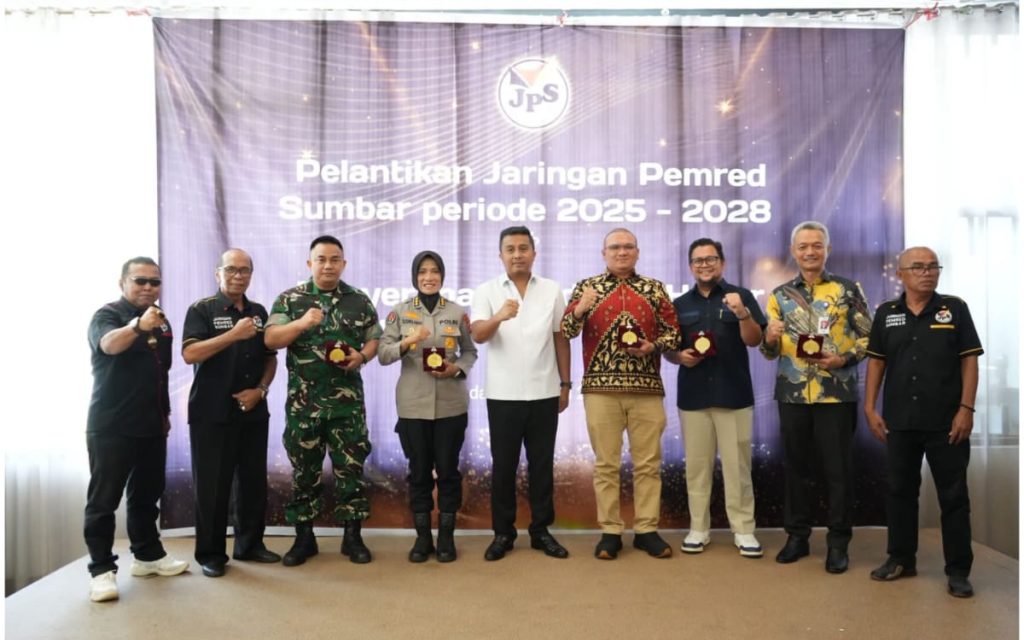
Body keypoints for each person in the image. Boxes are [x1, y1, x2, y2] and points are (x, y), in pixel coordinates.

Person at [863, 247, 982, 598]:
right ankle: (901, 559)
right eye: (918, 267)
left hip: (947, 420)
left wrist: (966, 409)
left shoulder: (954, 309)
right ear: (901, 274)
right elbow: (876, 363)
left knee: (954, 496)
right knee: (900, 492)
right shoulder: (887, 313)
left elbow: (970, 362)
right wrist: (870, 408)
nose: (927, 272)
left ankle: (958, 570)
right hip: (900, 421)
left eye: (933, 267)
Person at [561, 228, 681, 560]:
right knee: (606, 465)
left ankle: (646, 530)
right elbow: (567, 330)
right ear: (604, 253)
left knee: (648, 464)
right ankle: (610, 531)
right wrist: (580, 309)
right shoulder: (587, 287)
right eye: (615, 247)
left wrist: (653, 346)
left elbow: (674, 333)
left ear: (638, 252)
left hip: (647, 390)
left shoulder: (654, 288)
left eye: (628, 247)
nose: (622, 252)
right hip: (600, 391)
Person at [760, 221, 871, 574]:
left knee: (838, 471)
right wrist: (770, 337)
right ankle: (797, 537)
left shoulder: (847, 289)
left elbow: (870, 339)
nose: (810, 251)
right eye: (803, 246)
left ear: (827, 249)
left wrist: (843, 359)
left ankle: (838, 543)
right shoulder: (778, 295)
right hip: (793, 395)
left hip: (836, 395)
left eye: (817, 245)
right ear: (793, 252)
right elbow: (766, 352)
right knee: (796, 469)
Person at [265, 235, 382, 566]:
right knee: (304, 472)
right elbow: (271, 338)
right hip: (305, 407)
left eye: (335, 259)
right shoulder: (290, 300)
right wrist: (302, 323)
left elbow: (375, 338)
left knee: (351, 471)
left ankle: (352, 537)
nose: (328, 265)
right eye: (321, 259)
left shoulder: (358, 300)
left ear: (343, 263)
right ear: (309, 263)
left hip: (348, 408)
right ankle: (304, 538)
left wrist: (361, 356)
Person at [85, 257, 189, 602]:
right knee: (103, 501)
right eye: (140, 281)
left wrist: (165, 413)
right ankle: (101, 570)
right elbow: (109, 345)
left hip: (151, 425)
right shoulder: (108, 315)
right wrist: (138, 326)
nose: (148, 287)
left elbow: (162, 373)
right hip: (111, 426)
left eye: (154, 282)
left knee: (146, 495)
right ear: (123, 283)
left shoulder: (162, 321)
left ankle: (147, 556)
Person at [471, 226, 572, 561]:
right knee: (504, 467)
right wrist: (500, 315)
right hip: (504, 395)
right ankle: (503, 534)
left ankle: (541, 531)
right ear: (500, 255)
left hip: (544, 391)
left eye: (523, 248)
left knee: (542, 466)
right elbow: (478, 335)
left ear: (534, 253)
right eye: (510, 249)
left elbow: (560, 337)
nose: (517, 254)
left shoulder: (552, 290)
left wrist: (565, 383)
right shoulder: (486, 290)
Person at [665, 238, 766, 558]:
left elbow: (755, 340)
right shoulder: (679, 304)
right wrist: (679, 357)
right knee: (696, 467)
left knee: (738, 467)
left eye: (711, 259)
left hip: (733, 395)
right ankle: (699, 528)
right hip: (694, 397)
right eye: (698, 260)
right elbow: (670, 349)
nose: (704, 264)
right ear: (690, 266)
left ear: (721, 262)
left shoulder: (742, 296)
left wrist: (742, 314)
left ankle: (744, 530)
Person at [182, 249, 280, 578]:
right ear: (218, 274)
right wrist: (233, 335)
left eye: (245, 270)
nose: (238, 275)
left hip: (252, 409)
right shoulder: (202, 309)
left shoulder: (259, 311)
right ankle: (210, 554)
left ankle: (249, 544)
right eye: (232, 269)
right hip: (211, 413)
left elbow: (270, 358)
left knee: (253, 482)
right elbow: (190, 353)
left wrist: (261, 391)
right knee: (213, 486)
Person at [379, 251, 477, 563]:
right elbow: (383, 354)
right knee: (419, 473)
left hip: (450, 405)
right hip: (412, 406)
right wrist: (408, 342)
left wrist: (456, 369)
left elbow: (470, 352)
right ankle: (422, 539)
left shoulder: (458, 312)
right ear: (415, 276)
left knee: (448, 472)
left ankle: (446, 538)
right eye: (423, 271)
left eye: (435, 271)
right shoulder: (400, 313)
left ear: (442, 276)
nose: (429, 277)